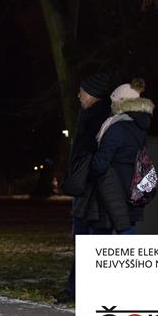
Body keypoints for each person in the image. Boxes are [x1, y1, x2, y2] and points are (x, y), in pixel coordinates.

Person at [55, 73, 111, 304]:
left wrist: (84, 175)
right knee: (84, 242)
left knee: (91, 242)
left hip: (94, 193)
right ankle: (76, 289)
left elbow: (98, 158)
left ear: (93, 94)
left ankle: (82, 291)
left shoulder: (100, 120)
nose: (79, 95)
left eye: (82, 91)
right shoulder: (88, 116)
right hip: (86, 191)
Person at [89, 78, 155, 234]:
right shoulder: (140, 126)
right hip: (133, 188)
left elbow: (100, 163)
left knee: (101, 235)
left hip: (113, 190)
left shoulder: (117, 127)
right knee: (128, 230)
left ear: (120, 103)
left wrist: (88, 168)